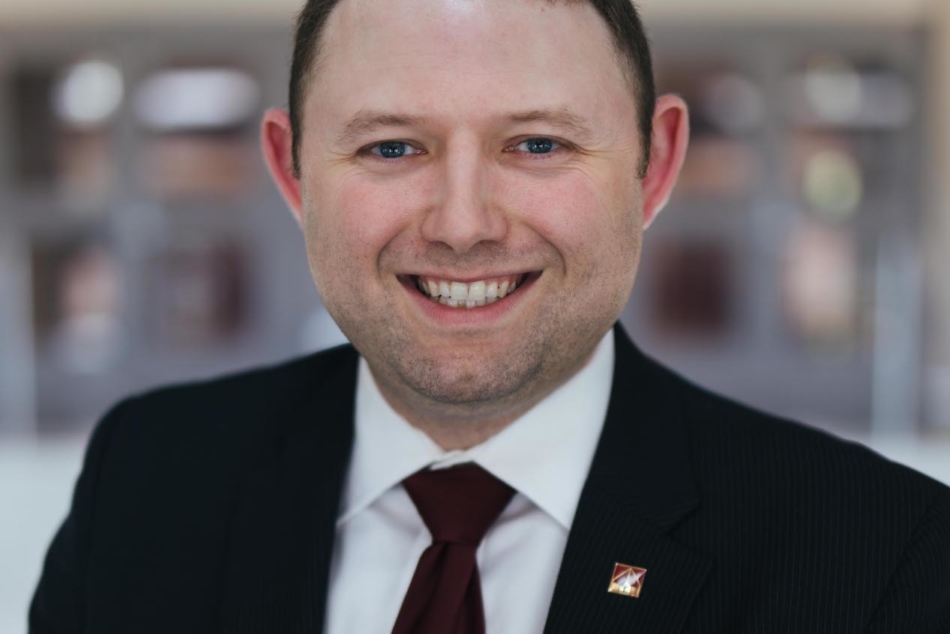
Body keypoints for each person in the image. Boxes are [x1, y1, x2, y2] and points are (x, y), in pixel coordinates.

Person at [30, 0, 950, 632]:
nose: (463, 225)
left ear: (655, 167)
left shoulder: (878, 556)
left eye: (537, 144)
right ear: (293, 173)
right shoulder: (144, 485)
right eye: (393, 147)